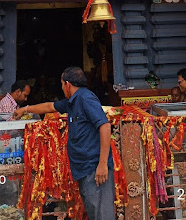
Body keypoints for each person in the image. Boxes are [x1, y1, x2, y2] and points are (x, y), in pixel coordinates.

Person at [14, 66, 114, 220]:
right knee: (93, 210)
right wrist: (25, 109)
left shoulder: (85, 98)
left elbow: (105, 126)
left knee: (101, 213)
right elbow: (49, 106)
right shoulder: (72, 102)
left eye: (61, 84)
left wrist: (102, 165)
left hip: (94, 167)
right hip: (84, 168)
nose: (61, 88)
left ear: (67, 84)